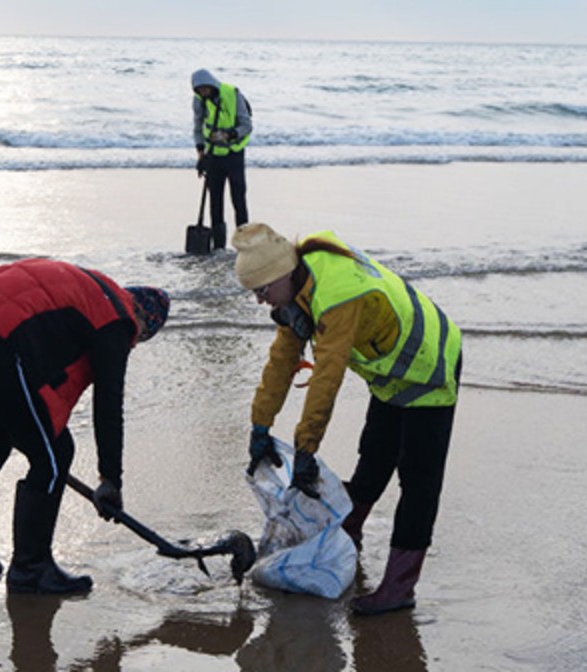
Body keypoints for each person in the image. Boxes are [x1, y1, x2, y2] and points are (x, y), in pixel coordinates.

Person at [232, 223, 462, 616]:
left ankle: (399, 587)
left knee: (417, 480)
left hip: (429, 366)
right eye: (254, 293)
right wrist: (260, 426)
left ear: (282, 275)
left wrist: (306, 448)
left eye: (262, 291)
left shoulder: (337, 294)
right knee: (373, 458)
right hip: (390, 377)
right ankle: (346, 536)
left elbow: (327, 376)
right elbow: (280, 363)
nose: (259, 301)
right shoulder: (296, 291)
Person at [0, 258, 170, 595]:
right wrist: (111, 479)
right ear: (142, 318)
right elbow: (108, 403)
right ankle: (31, 568)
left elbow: (37, 352)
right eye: (140, 337)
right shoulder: (118, 319)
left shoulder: (90, 293)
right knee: (54, 454)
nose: (133, 343)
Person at [191, 68, 252, 252]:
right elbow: (198, 127)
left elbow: (247, 125)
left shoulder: (233, 95)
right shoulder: (199, 101)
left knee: (238, 199)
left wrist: (229, 134)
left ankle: (244, 244)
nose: (203, 93)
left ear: (212, 85)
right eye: (199, 90)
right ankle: (218, 247)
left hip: (234, 155)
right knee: (215, 201)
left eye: (205, 89)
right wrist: (201, 154)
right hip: (213, 156)